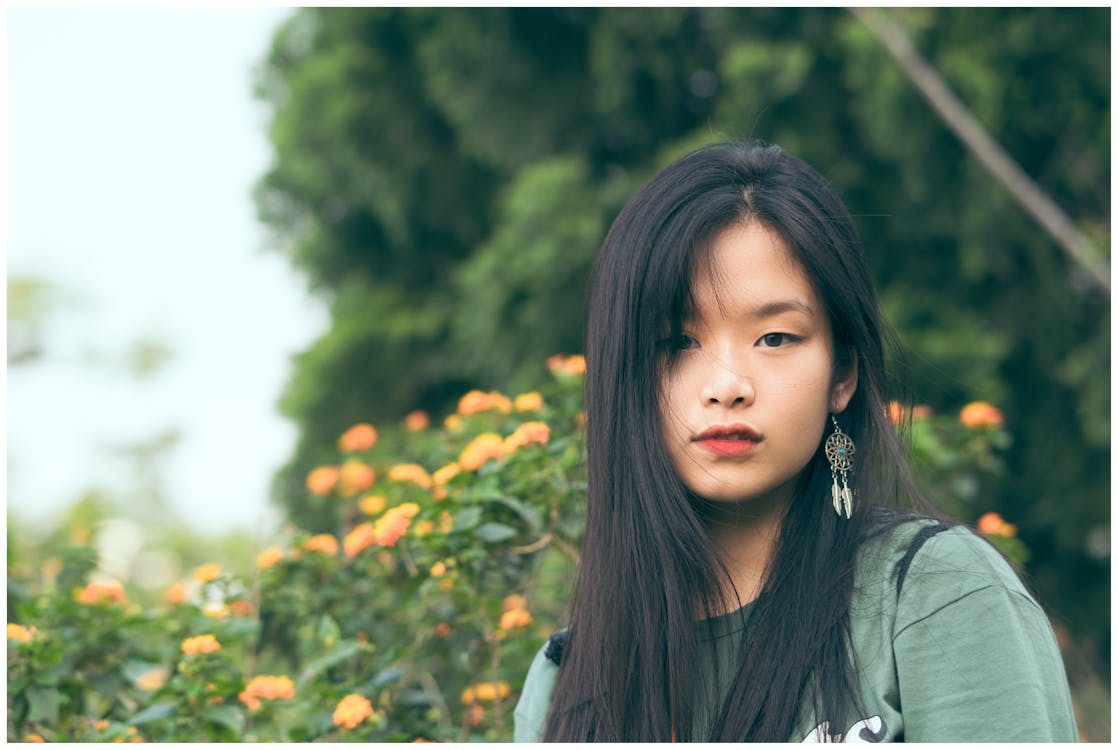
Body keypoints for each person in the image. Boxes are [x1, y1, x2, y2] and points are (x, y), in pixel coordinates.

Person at [513, 141, 1078, 742]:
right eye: (676, 342)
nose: (727, 386)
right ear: (623, 374)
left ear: (842, 375)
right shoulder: (566, 686)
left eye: (776, 337)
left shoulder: (937, 597)